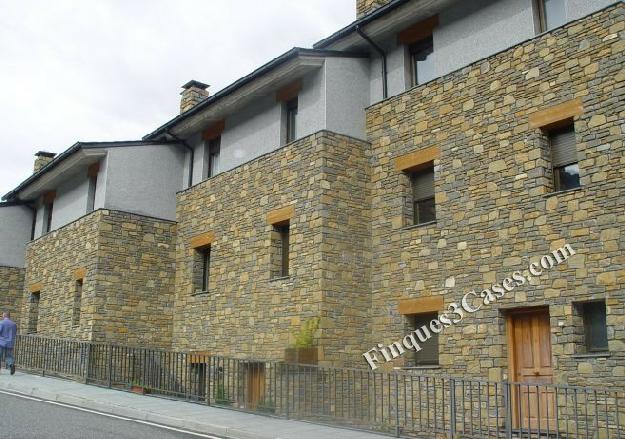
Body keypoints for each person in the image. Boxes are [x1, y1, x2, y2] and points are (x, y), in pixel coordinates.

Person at [0, 311, 17, 375]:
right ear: (9, 316)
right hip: (10, 342)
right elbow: (14, 333)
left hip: (1, 342)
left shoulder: (1, 323)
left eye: (2, 315)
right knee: (9, 356)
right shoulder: (14, 324)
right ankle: (11, 365)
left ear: (4, 316)